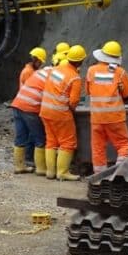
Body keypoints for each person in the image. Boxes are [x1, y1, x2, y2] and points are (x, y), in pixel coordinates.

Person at [40, 45, 86, 181]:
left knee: (51, 141)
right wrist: (72, 110)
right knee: (67, 143)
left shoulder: (56, 69)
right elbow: (73, 102)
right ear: (80, 61)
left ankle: (50, 172)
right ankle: (62, 172)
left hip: (45, 110)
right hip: (60, 113)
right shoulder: (75, 78)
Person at [85, 41, 128, 173]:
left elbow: (88, 91)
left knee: (98, 147)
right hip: (115, 117)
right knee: (123, 145)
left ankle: (99, 177)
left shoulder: (90, 71)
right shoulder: (120, 72)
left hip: (97, 117)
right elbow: (126, 93)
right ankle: (120, 173)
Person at [10, 47, 50, 175]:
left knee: (21, 136)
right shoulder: (30, 72)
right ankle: (41, 168)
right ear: (37, 60)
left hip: (18, 104)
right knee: (39, 138)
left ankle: (19, 166)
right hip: (29, 108)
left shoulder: (36, 72)